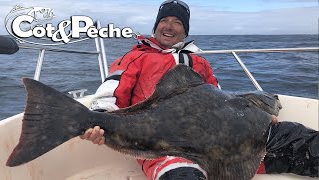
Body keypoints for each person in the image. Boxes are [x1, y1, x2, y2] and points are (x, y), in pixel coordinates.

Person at [80, 0, 319, 179]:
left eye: (177, 22)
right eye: (164, 20)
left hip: (223, 143)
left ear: (185, 31)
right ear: (155, 27)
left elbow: (219, 98)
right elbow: (109, 94)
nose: (169, 26)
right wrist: (97, 121)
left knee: (303, 142)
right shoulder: (136, 58)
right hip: (168, 147)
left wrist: (259, 119)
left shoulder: (200, 62)